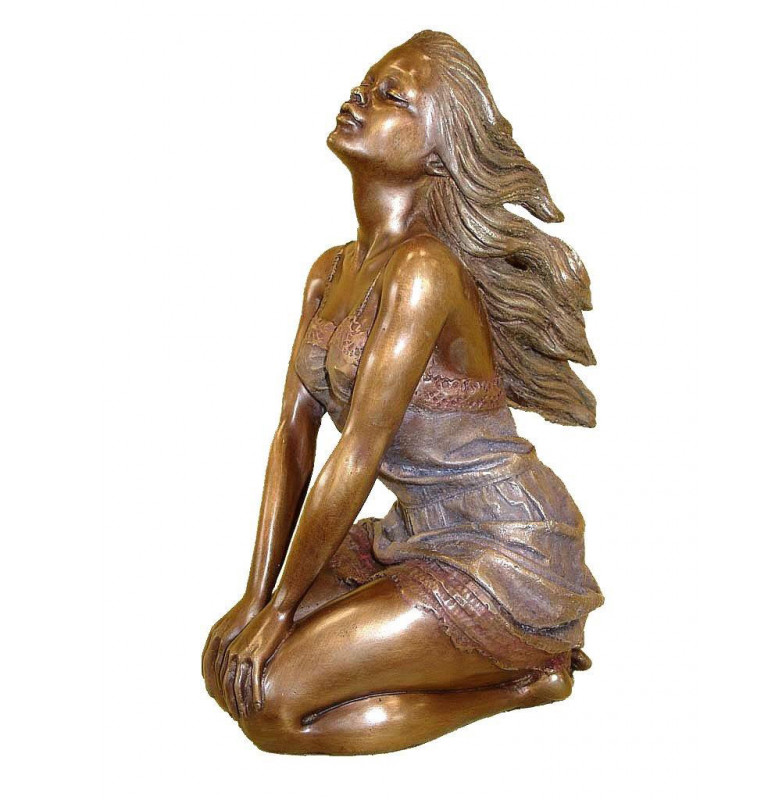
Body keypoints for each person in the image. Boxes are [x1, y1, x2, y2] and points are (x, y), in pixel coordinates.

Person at [201, 30, 603, 755]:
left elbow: (359, 448)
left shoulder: (425, 269)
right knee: (220, 663)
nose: (361, 97)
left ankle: (525, 683)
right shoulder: (330, 270)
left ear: (439, 153)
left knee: (272, 706)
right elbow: (294, 436)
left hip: (501, 546)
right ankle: (445, 661)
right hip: (409, 536)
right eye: (366, 83)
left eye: (393, 96)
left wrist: (282, 609)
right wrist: (256, 597)